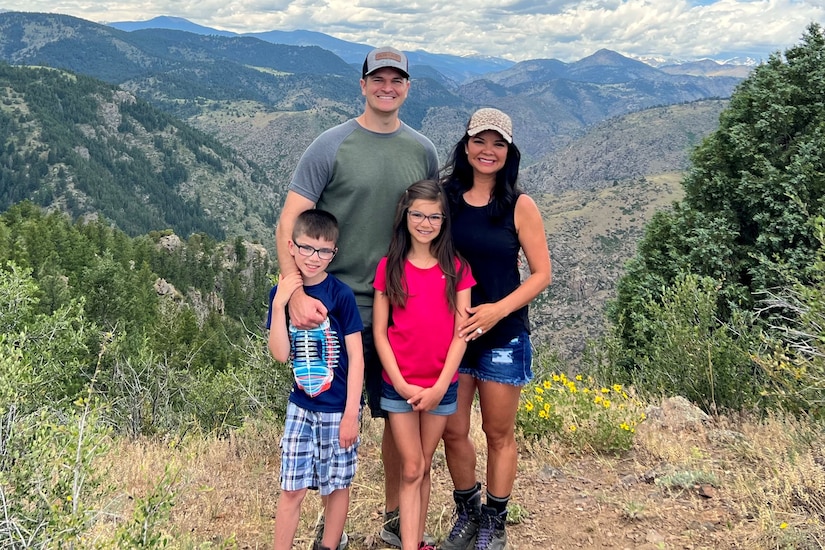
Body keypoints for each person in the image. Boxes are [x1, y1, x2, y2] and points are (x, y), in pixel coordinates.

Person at [275, 46, 439, 548]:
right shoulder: (330, 145)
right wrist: (295, 294)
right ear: (363, 84)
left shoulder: (423, 151)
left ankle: (395, 521)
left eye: (397, 79)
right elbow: (290, 221)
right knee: (328, 420)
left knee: (397, 420)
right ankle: (332, 530)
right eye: (379, 78)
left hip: (400, 314)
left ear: (408, 86)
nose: (387, 87)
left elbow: (433, 224)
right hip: (333, 313)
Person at [439, 108, 552, 550]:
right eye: (480, 141)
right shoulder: (444, 198)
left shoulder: (520, 206)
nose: (488, 151)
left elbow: (541, 273)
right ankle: (467, 512)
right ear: (466, 146)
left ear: (509, 151)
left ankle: (495, 520)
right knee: (452, 430)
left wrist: (495, 311)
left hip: (503, 335)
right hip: (454, 333)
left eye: (498, 143)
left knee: (498, 432)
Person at [373, 180, 475, 550]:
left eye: (434, 216)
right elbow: (381, 333)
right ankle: (410, 543)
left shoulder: (458, 269)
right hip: (398, 386)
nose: (426, 222)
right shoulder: (390, 267)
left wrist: (439, 387)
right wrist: (400, 384)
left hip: (441, 387)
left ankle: (412, 541)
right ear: (405, 216)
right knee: (412, 465)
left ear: (444, 220)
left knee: (424, 464)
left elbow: (460, 334)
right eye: (418, 214)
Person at [266, 209, 365, 550]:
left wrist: (352, 412)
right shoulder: (281, 295)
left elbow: (356, 358)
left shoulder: (341, 295)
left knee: (336, 485)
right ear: (291, 247)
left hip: (338, 408)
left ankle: (329, 544)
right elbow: (280, 354)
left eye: (324, 251)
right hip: (301, 406)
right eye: (307, 248)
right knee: (291, 486)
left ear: (333, 253)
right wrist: (280, 304)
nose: (314, 258)